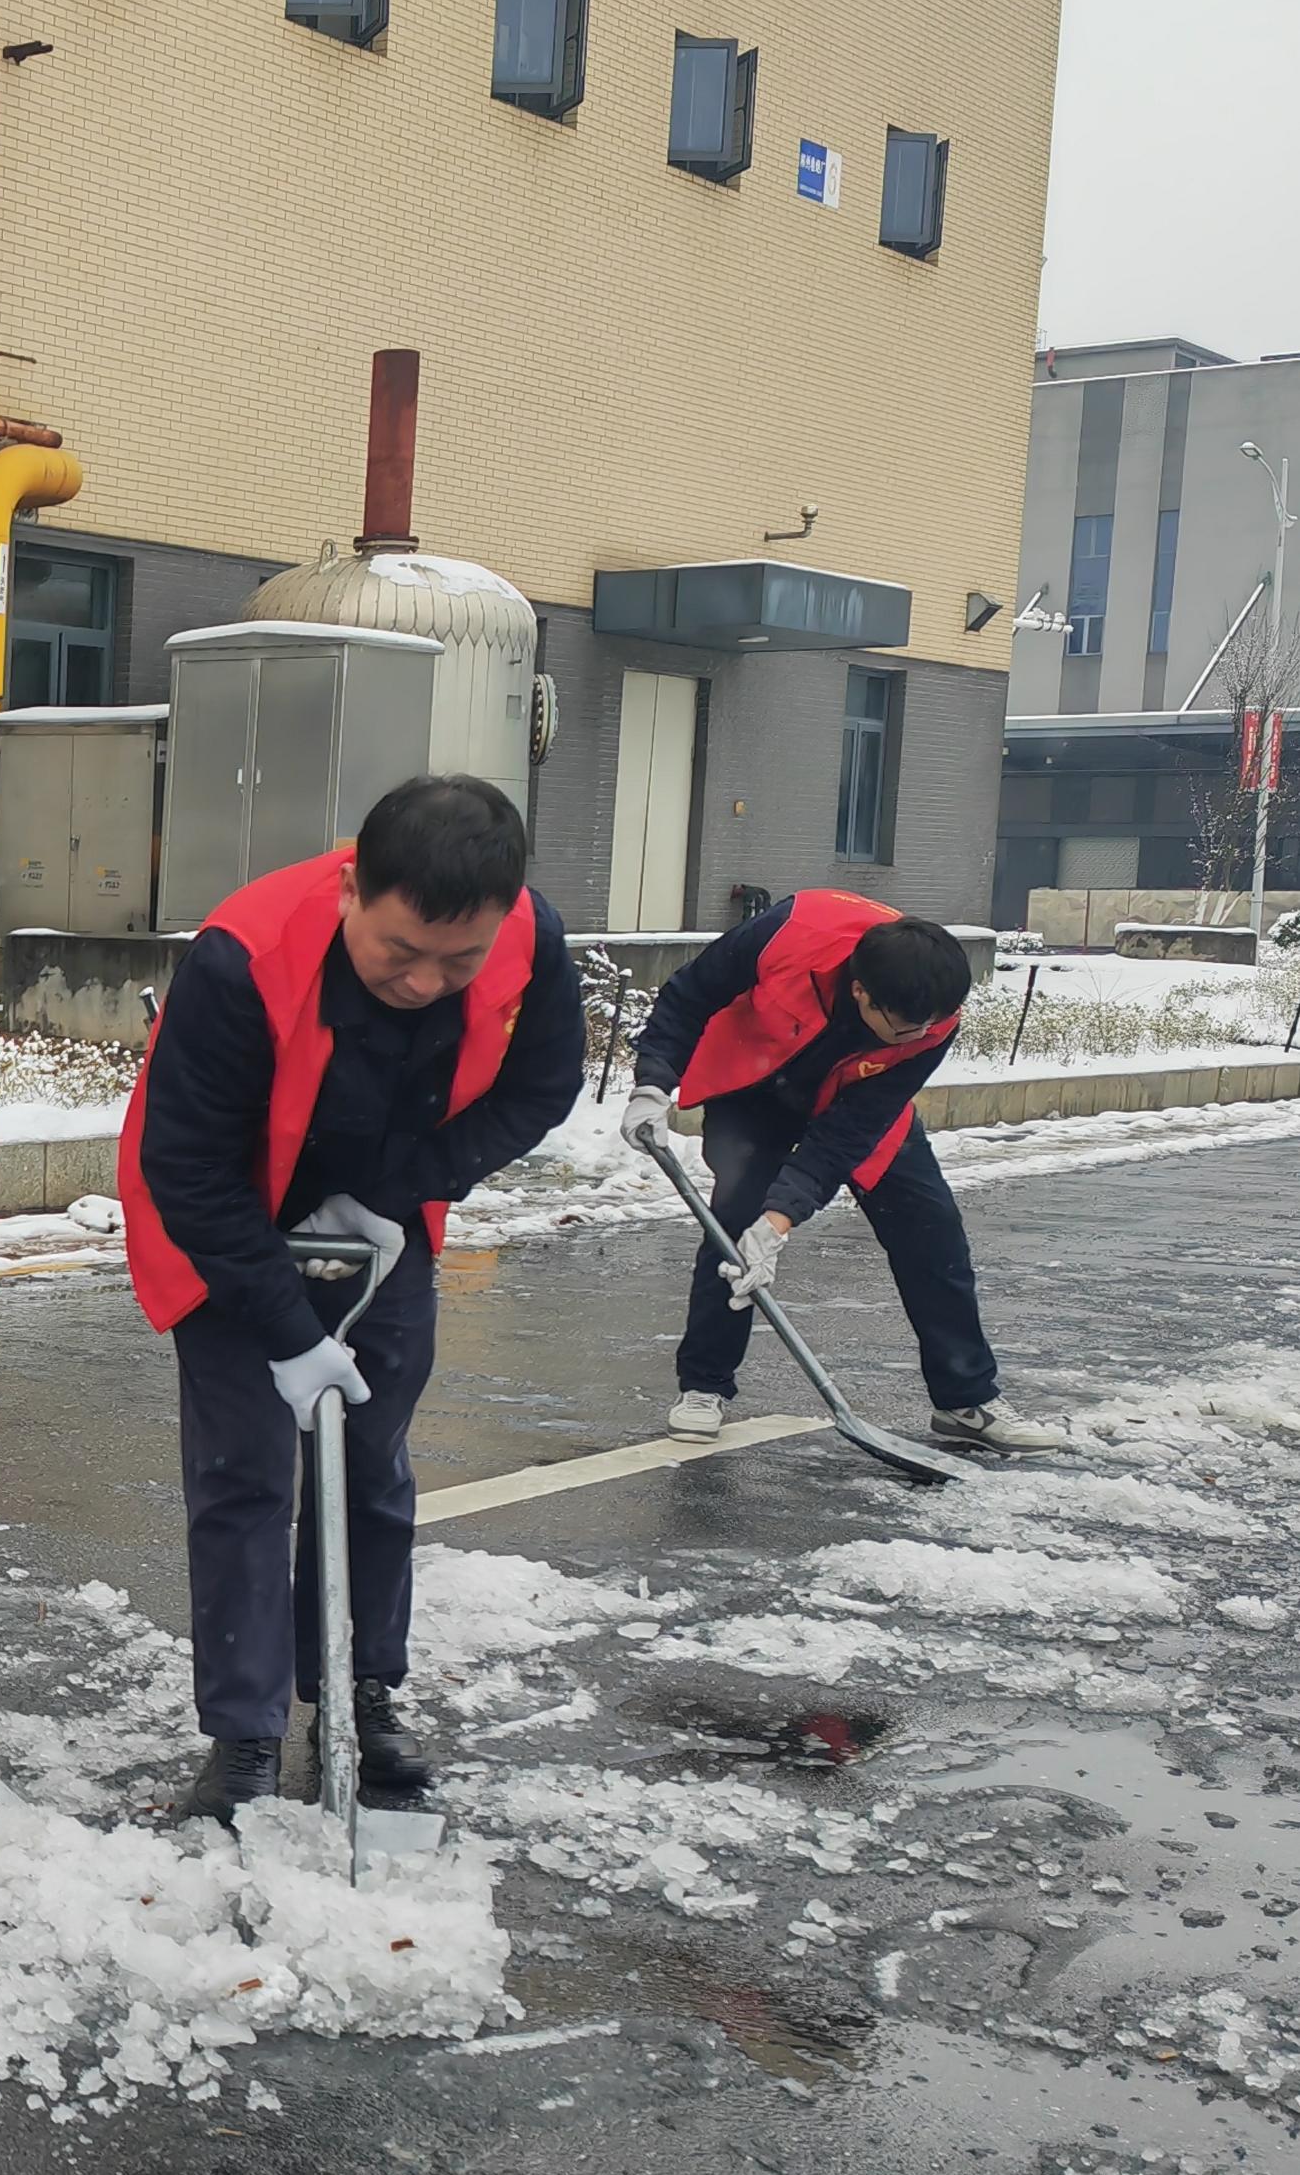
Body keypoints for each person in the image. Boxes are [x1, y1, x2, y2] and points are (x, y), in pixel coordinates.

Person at [121, 775, 585, 1823]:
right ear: (351, 893)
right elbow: (186, 1168)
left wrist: (399, 1187)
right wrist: (285, 1330)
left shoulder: (530, 938)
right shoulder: (242, 956)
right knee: (245, 1474)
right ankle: (245, 1731)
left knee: (371, 1466)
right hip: (228, 1220)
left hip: (382, 1220)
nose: (425, 981)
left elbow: (541, 1088)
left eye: (455, 961)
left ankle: (360, 1690)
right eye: (398, 953)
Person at [620, 895, 1065, 1453]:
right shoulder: (789, 932)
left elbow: (846, 1136)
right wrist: (653, 1086)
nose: (913, 1037)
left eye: (924, 1029)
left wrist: (779, 1224)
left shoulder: (932, 1019)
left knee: (930, 1229)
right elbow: (688, 999)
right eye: (899, 1028)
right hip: (758, 1081)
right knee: (735, 1220)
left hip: (855, 1098)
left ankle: (964, 1399)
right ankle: (704, 1387)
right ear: (861, 991)